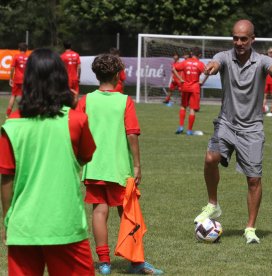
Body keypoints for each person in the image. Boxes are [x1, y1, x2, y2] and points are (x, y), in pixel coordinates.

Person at [194, 19, 272, 244]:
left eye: (243, 38)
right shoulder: (224, 56)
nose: (238, 42)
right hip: (226, 123)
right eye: (235, 38)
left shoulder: (262, 60)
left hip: (252, 129)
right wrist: (210, 68)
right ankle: (213, 204)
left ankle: (250, 228)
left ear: (252, 39)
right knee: (211, 157)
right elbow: (215, 63)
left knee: (253, 180)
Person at [0, 48, 96, 275]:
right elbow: (85, 156)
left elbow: (6, 178)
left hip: (23, 225)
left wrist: (8, 220)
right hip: (64, 223)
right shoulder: (77, 120)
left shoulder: (11, 125)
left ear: (28, 79)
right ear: (62, 78)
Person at [76, 53, 163, 275]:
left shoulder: (85, 100)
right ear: (117, 75)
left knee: (99, 210)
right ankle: (136, 263)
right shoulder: (124, 101)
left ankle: (104, 263)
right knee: (127, 212)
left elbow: (75, 130)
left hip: (94, 166)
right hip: (119, 167)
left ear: (96, 75)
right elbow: (132, 134)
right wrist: (137, 165)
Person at [173, 47, 208, 135]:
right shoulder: (200, 64)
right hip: (195, 88)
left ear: (191, 53)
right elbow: (208, 72)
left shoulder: (185, 62)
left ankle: (181, 127)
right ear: (200, 55)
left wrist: (180, 78)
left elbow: (174, 68)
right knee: (192, 109)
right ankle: (189, 131)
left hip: (185, 86)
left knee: (183, 106)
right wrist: (202, 81)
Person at [6, 42, 28, 117]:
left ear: (18, 49)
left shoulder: (16, 56)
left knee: (13, 96)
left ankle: (8, 114)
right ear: (26, 49)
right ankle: (25, 113)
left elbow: (12, 68)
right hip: (25, 79)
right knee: (26, 96)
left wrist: (11, 78)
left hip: (17, 79)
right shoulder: (28, 58)